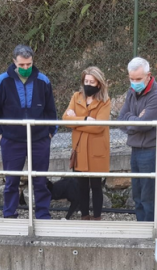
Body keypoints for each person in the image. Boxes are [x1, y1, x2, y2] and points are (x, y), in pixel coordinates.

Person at [0, 45, 58, 219]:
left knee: (40, 179)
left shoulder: (43, 80)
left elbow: (51, 110)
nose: (26, 68)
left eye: (29, 64)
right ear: (14, 62)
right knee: (11, 180)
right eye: (22, 65)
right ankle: (9, 213)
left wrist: (50, 132)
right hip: (12, 140)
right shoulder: (1, 81)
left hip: (39, 139)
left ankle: (42, 213)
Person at [118, 57, 157, 222]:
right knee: (137, 193)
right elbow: (120, 121)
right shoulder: (131, 92)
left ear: (148, 75)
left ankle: (150, 229)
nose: (134, 82)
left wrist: (131, 120)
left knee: (148, 194)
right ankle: (141, 226)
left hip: (151, 149)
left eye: (138, 79)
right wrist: (135, 120)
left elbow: (144, 124)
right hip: (135, 149)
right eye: (131, 79)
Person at [62, 66, 112, 220]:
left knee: (96, 186)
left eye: (92, 81)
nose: (88, 84)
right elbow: (65, 119)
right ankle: (84, 216)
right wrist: (84, 119)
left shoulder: (105, 101)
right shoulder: (76, 96)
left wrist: (75, 119)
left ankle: (97, 217)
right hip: (79, 149)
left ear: (99, 84)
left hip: (97, 150)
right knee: (81, 185)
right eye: (86, 81)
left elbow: (99, 127)